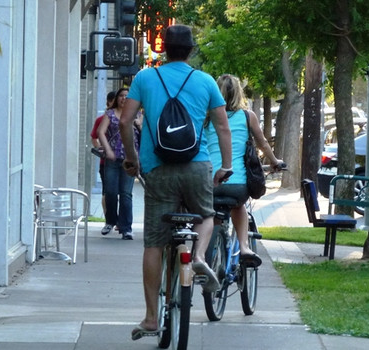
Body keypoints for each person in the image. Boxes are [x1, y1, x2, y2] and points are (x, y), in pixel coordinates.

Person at [118, 25, 232, 340]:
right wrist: (226, 165)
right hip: (197, 166)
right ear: (192, 50)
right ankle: (197, 257)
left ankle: (152, 318)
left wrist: (132, 159)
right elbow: (222, 126)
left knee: (154, 242)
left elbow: (125, 121)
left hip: (157, 168)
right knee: (206, 215)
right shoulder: (205, 81)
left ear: (164, 49)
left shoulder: (144, 78)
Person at [206, 74, 285, 267]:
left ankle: (208, 253)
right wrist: (275, 161)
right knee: (239, 206)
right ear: (238, 93)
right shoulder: (248, 116)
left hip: (210, 182)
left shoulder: (206, 116)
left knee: (213, 213)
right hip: (237, 182)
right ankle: (244, 248)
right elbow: (263, 143)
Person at [97, 87, 141, 240]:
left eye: (127, 96)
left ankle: (126, 228)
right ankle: (110, 221)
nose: (124, 98)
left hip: (130, 159)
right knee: (110, 191)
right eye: (121, 95)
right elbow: (100, 132)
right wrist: (108, 150)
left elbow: (144, 133)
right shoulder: (110, 114)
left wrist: (138, 123)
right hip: (113, 158)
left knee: (126, 194)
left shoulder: (137, 114)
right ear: (117, 98)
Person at [91, 91, 116, 235]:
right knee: (108, 192)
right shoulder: (101, 119)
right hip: (105, 162)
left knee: (123, 194)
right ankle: (109, 219)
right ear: (108, 102)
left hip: (123, 160)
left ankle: (121, 222)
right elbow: (94, 137)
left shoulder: (128, 118)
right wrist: (101, 147)